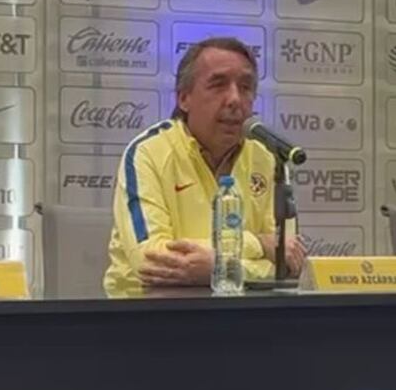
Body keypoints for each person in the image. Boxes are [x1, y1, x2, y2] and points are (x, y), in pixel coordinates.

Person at [104, 37, 306, 289]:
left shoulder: (267, 157)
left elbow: (287, 264)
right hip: (147, 315)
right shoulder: (148, 153)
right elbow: (151, 260)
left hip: (244, 316)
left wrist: (215, 268)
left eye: (245, 87)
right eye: (218, 85)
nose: (234, 99)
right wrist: (259, 245)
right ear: (184, 98)